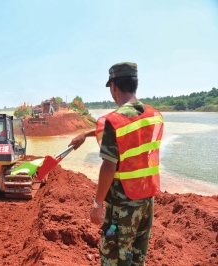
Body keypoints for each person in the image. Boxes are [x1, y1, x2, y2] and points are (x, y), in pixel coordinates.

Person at [69, 62, 164, 265]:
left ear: (113, 87)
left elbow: (109, 166)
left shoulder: (114, 121)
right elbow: (131, 134)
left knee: (115, 259)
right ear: (135, 84)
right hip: (146, 202)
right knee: (137, 258)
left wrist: (97, 204)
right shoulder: (154, 116)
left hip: (122, 206)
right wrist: (85, 133)